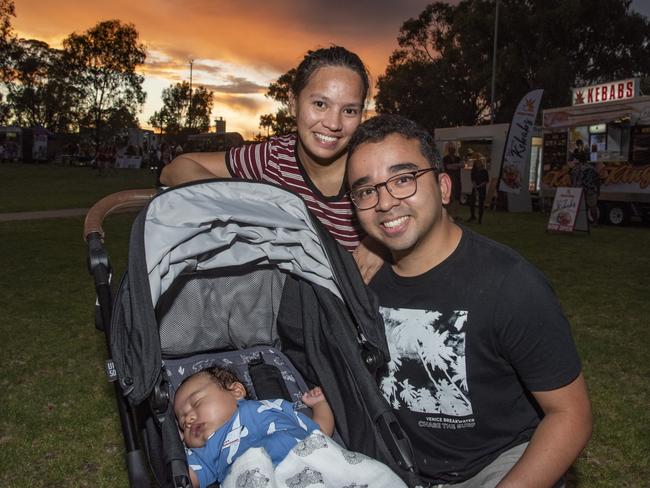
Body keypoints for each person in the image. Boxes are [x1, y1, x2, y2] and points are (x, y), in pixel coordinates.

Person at [345, 114, 593, 488]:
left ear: (444, 188)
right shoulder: (361, 281)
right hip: (399, 466)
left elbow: (571, 415)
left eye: (402, 179)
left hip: (497, 468)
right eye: (366, 191)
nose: (384, 202)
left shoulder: (510, 284)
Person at [160, 46, 384, 281]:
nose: (333, 123)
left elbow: (419, 209)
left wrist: (380, 243)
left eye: (349, 110)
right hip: (283, 308)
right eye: (320, 104)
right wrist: (240, 207)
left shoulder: (372, 164)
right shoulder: (274, 158)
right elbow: (175, 169)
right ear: (293, 103)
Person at [173, 366, 405, 488]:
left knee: (366, 475)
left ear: (236, 391)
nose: (189, 419)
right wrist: (172, 446)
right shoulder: (203, 452)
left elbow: (319, 431)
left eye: (196, 403)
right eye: (182, 423)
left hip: (308, 455)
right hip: (253, 475)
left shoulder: (273, 407)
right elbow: (184, 478)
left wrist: (320, 404)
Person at [569, 148, 601, 224]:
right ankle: (595, 221)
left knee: (578, 207)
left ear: (579, 159)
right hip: (590, 190)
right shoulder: (591, 168)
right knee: (593, 207)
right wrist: (598, 191)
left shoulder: (575, 169)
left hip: (578, 191)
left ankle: (576, 222)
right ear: (586, 158)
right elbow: (597, 180)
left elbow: (572, 180)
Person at [442, 142, 463, 219]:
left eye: (453, 149)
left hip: (457, 180)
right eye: (451, 149)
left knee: (457, 197)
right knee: (449, 197)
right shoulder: (445, 158)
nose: (452, 150)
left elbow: (462, 165)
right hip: (449, 180)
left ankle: (456, 214)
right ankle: (449, 214)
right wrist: (457, 165)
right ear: (449, 150)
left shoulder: (458, 158)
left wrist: (454, 166)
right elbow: (448, 167)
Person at [467, 158, 489, 224]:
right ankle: (472, 216)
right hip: (475, 188)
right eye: (477, 163)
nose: (478, 164)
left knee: (481, 204)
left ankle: (480, 219)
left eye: (479, 163)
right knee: (472, 203)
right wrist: (475, 187)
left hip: (482, 189)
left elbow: (486, 181)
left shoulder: (484, 171)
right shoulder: (474, 171)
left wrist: (479, 186)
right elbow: (473, 179)